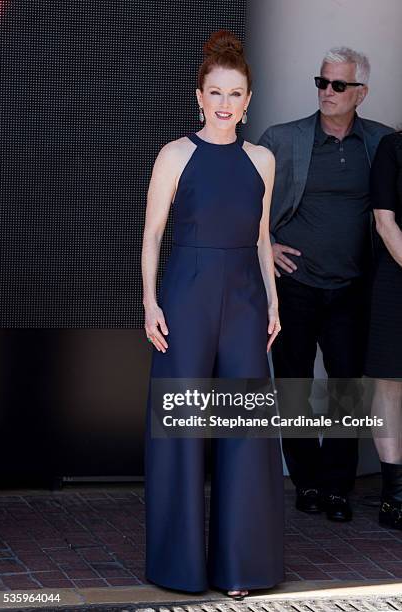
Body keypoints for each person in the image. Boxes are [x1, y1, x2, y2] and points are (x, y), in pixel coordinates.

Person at [141, 30, 284, 597]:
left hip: (247, 300)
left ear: (249, 100)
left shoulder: (263, 161)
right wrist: (150, 302)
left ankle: (241, 569)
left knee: (244, 429)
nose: (226, 104)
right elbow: (152, 234)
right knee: (179, 430)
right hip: (186, 296)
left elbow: (261, 237)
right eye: (216, 93)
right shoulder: (175, 154)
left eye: (237, 94)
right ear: (199, 96)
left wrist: (273, 300)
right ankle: (178, 569)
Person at [258, 47, 393, 522]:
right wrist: (267, 245)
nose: (327, 93)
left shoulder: (382, 143)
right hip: (294, 286)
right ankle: (307, 481)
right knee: (293, 385)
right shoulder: (283, 139)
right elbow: (247, 200)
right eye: (322, 82)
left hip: (353, 288)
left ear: (361, 93)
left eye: (338, 85)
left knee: (347, 390)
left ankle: (337, 486)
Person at [365, 132, 402, 530]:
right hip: (397, 276)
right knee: (390, 383)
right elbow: (384, 220)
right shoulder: (394, 148)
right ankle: (394, 496)